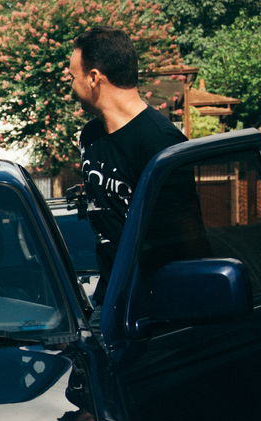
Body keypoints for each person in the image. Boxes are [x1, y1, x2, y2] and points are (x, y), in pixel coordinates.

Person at [69, 26, 187, 308]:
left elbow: (187, 233)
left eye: (73, 77)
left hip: (155, 305)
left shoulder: (160, 142)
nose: (71, 85)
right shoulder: (90, 137)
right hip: (109, 297)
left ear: (94, 78)